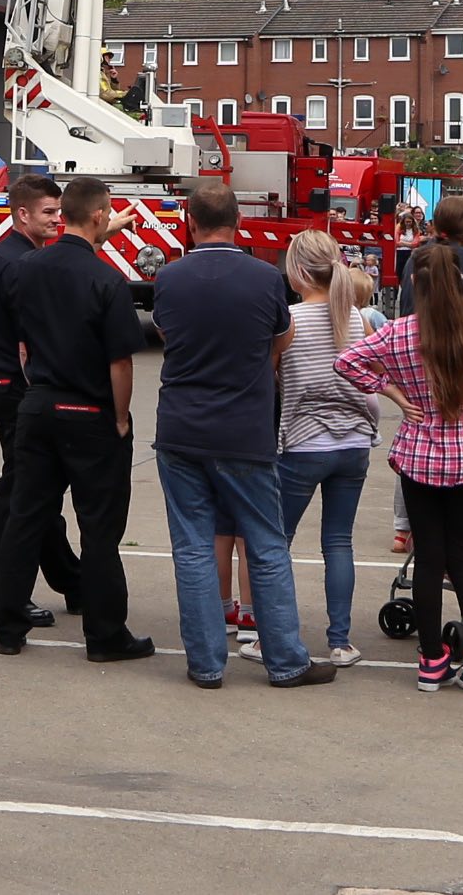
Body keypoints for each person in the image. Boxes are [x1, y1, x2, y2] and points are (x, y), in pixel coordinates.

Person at [334, 240, 463, 700]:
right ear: (461, 280)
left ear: (415, 283)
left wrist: (392, 393)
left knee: (429, 560)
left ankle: (432, 661)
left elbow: (346, 361)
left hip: (419, 453)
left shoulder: (398, 331)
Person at [151, 182, 334, 691]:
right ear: (238, 222)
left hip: (182, 428)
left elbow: (167, 335)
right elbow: (280, 339)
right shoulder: (263, 279)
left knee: (192, 546)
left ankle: (207, 663)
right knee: (266, 544)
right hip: (245, 430)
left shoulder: (169, 278)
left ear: (189, 222)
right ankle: (286, 660)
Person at [0, 178, 151, 664]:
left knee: (26, 514)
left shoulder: (24, 268)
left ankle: (8, 624)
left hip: (38, 405)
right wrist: (120, 418)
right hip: (90, 410)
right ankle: (105, 635)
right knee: (99, 527)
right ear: (99, 217)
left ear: (69, 214)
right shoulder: (106, 281)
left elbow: (19, 335)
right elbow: (121, 362)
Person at [0, 176, 79, 632]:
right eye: (49, 213)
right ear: (22, 213)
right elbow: (31, 334)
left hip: (11, 385)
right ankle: (5, 596)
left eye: (59, 212)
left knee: (30, 493)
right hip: (17, 388)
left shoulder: (8, 255)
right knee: (23, 497)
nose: (57, 219)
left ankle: (70, 580)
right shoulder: (17, 263)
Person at [275, 229, 378, 672]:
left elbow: (271, 377)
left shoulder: (290, 319)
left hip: (302, 442)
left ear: (298, 272)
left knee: (276, 542)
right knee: (338, 541)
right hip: (354, 442)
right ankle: (340, 640)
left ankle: (274, 634)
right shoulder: (356, 318)